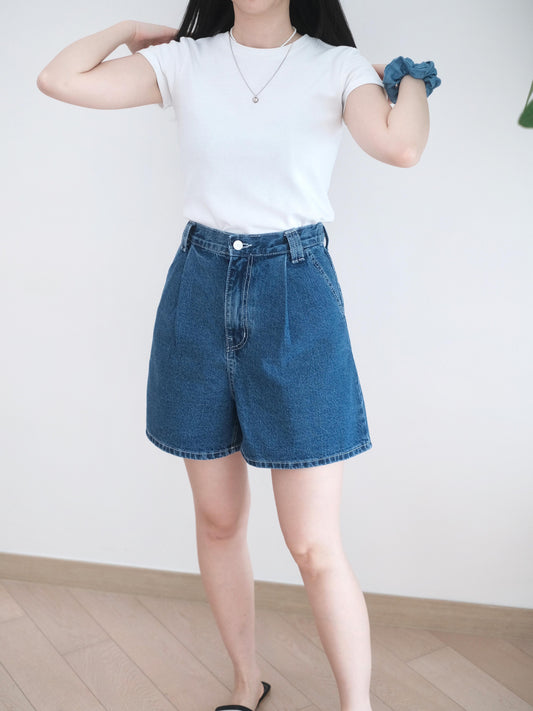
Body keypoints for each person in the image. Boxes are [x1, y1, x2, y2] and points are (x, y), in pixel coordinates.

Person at [37, 2, 432, 710]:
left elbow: (401, 147)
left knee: (312, 543)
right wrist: (128, 31)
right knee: (218, 520)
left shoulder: (334, 66)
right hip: (198, 287)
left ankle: (357, 705)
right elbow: (59, 79)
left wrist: (407, 79)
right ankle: (246, 684)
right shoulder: (186, 62)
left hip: (296, 293)